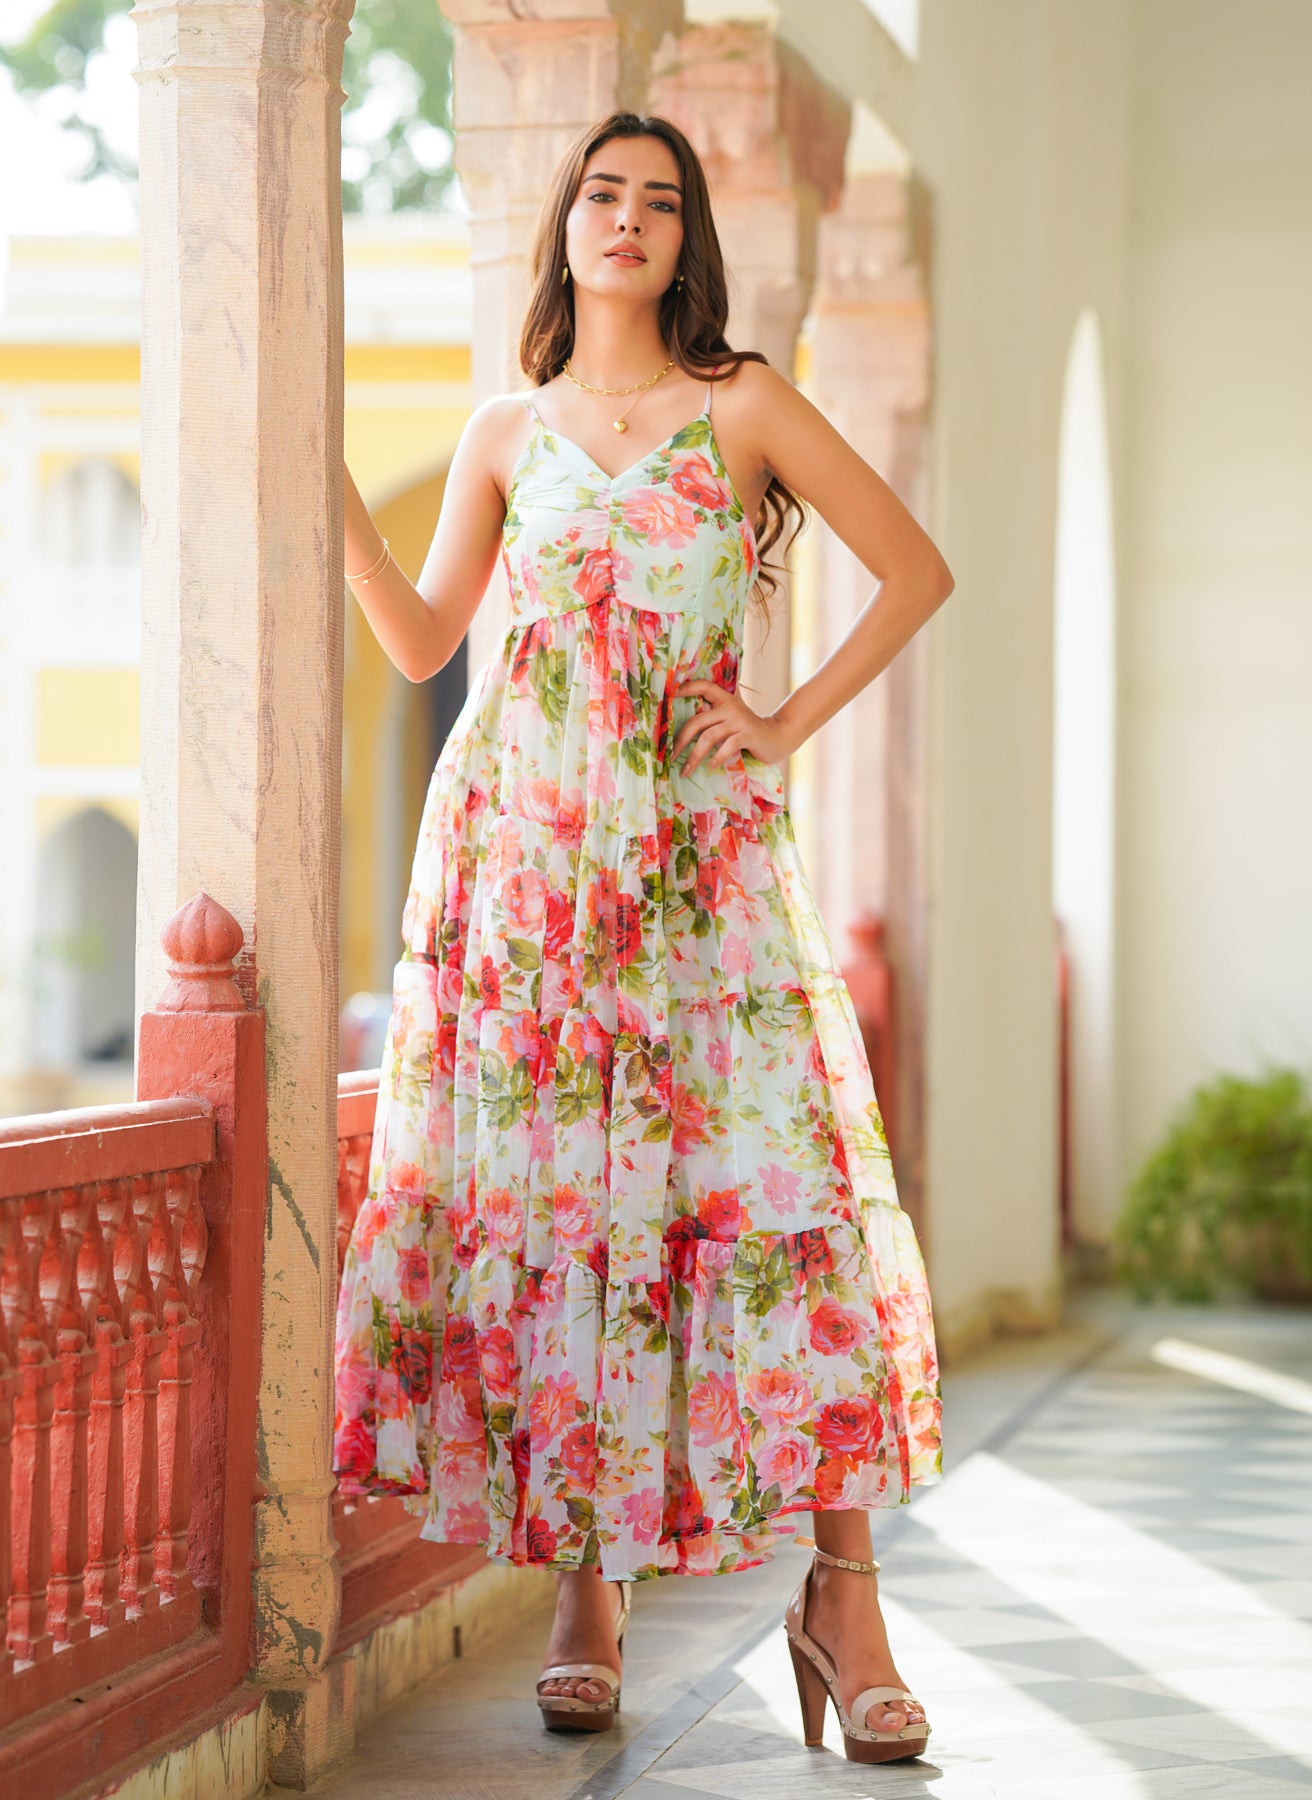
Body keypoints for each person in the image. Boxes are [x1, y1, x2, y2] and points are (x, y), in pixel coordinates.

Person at [333, 111, 952, 1766]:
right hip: (529, 880)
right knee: (567, 1213)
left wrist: (781, 718)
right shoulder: (499, 431)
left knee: (782, 1211)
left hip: (701, 876)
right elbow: (420, 647)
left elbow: (913, 568)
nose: (629, 220)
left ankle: (848, 1602)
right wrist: (326, 498)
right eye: (602, 194)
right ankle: (586, 1597)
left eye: (660, 202)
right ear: (563, 227)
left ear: (686, 244)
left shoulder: (737, 404)